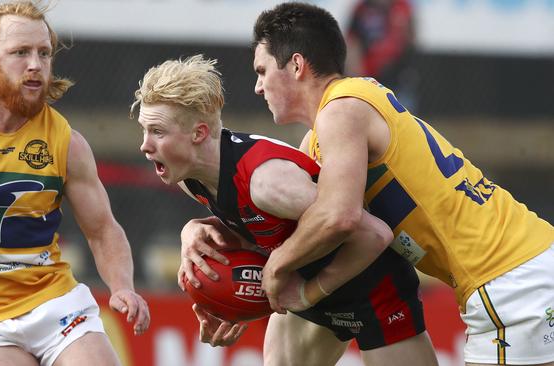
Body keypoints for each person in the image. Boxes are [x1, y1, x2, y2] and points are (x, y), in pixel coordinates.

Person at [246, 2, 554, 365]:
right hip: (524, 269)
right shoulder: (339, 117)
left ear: (296, 65)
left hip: (510, 285)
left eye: (262, 71)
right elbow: (291, 219)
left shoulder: (341, 111)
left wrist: (278, 266)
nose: (257, 86)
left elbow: (337, 216)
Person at [131, 55, 438, 365]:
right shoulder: (189, 175)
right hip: (303, 287)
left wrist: (307, 292)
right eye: (145, 130)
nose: (144, 145)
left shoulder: (267, 182)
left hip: (373, 290)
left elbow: (373, 234)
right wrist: (194, 231)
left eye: (157, 132)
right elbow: (262, 226)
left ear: (198, 134)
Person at [0, 2, 149, 365]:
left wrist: (123, 287)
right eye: (20, 52)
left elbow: (103, 231)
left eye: (44, 53)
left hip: (56, 306)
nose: (35, 64)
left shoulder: (66, 142)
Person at [345, 0, 418, 110]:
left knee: (402, 113)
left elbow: (411, 37)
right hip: (370, 74)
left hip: (397, 71)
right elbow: (353, 41)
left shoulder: (402, 7)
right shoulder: (362, 8)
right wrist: (355, 71)